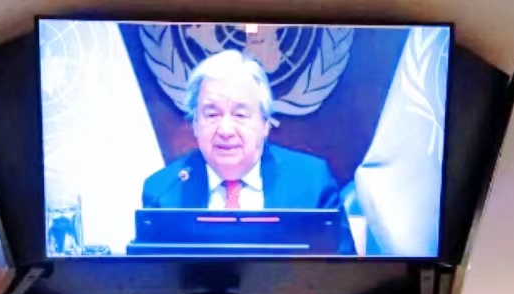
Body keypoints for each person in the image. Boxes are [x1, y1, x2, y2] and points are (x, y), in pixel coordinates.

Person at [141, 50, 355, 254]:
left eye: (240, 115)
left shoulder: (312, 183)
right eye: (212, 115)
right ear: (195, 124)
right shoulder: (163, 192)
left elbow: (343, 274)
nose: (225, 130)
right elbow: (151, 277)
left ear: (265, 124)